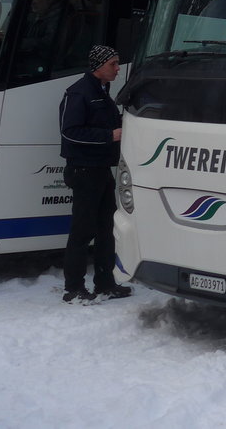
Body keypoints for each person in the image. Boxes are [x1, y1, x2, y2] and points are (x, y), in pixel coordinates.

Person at [58, 44, 132, 302]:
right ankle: (74, 288)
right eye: (112, 63)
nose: (117, 68)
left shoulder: (102, 91)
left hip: (101, 169)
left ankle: (105, 282)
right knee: (82, 230)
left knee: (106, 228)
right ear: (98, 66)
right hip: (84, 170)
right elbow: (70, 131)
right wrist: (108, 136)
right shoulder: (79, 93)